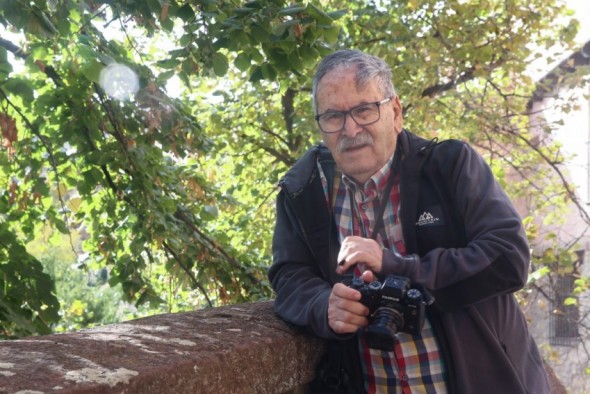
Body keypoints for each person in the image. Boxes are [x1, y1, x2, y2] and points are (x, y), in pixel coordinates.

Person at [268, 49, 550, 393]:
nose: (350, 128)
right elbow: (289, 273)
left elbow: (508, 258)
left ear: (396, 112)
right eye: (332, 116)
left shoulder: (449, 166)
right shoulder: (303, 191)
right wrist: (322, 305)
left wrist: (396, 265)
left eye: (364, 110)